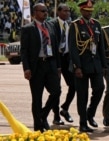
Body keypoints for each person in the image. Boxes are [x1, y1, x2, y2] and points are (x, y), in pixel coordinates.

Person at [20, 3, 61, 132]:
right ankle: (38, 126)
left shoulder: (51, 26)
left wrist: (58, 66)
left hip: (50, 64)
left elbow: (55, 46)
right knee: (37, 98)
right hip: (36, 66)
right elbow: (24, 51)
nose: (45, 13)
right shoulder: (28, 28)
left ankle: (42, 116)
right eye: (42, 11)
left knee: (56, 92)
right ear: (35, 12)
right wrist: (26, 68)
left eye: (46, 10)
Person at [68, 0, 107, 132]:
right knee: (82, 95)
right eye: (86, 11)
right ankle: (83, 122)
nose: (89, 13)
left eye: (91, 11)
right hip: (82, 66)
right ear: (81, 11)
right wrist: (76, 67)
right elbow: (73, 48)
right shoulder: (75, 25)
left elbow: (101, 46)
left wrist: (104, 65)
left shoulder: (96, 24)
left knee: (100, 89)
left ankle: (90, 114)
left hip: (95, 65)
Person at [49, 3, 74, 125]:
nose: (67, 13)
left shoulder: (70, 24)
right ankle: (56, 115)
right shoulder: (52, 24)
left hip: (67, 59)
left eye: (68, 11)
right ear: (58, 12)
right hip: (56, 59)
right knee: (56, 89)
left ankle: (65, 108)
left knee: (74, 85)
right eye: (65, 11)